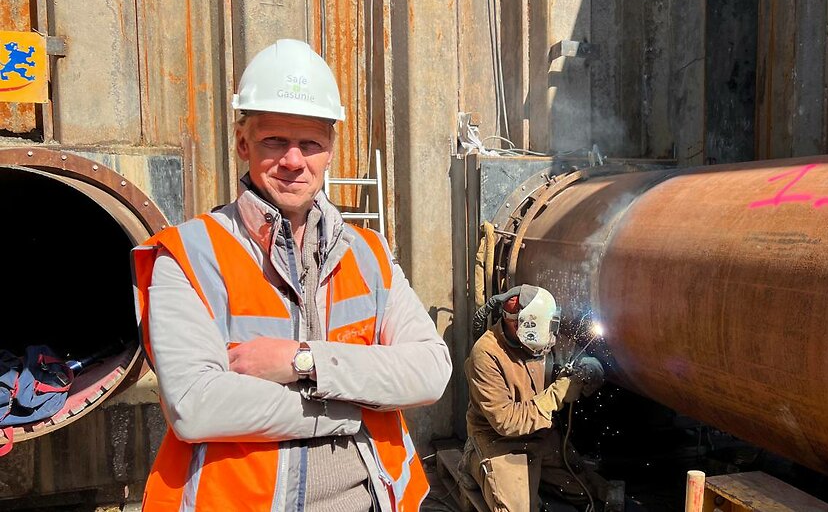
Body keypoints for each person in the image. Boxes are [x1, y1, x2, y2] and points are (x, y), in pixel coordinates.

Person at [131, 38, 452, 512]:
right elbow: (196, 406)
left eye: (311, 144)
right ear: (243, 143)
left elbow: (429, 371)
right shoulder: (188, 256)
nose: (294, 160)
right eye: (274, 141)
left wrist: (303, 361)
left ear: (330, 150)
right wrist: (349, 408)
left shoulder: (368, 253)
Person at [461, 285, 607, 511]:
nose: (551, 340)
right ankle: (473, 460)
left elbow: (585, 359)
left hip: (541, 436)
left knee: (590, 491)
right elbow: (506, 422)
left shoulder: (546, 334)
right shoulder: (486, 354)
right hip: (499, 442)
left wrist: (588, 369)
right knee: (519, 508)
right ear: (521, 325)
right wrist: (558, 393)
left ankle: (534, 477)